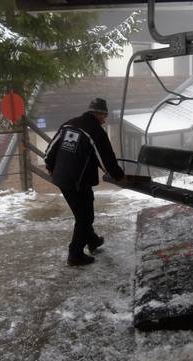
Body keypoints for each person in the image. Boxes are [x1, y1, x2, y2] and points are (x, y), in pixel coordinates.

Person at [44, 98, 125, 267]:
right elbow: (105, 160)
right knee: (85, 217)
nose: (104, 120)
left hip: (61, 178)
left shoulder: (69, 124)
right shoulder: (95, 131)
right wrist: (119, 177)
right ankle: (75, 255)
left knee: (81, 212)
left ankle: (93, 240)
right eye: (104, 116)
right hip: (78, 180)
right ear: (99, 114)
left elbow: (50, 150)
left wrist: (51, 167)